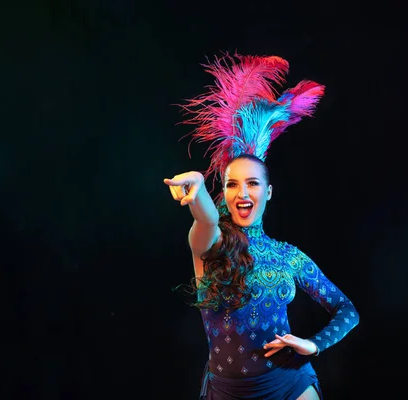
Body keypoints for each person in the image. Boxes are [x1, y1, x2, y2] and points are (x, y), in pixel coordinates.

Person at [164, 53, 360, 400]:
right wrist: (195, 186)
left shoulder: (289, 256)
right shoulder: (210, 243)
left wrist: (312, 345)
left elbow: (347, 310)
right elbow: (206, 217)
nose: (243, 192)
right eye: (232, 184)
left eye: (253, 183)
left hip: (289, 383)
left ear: (268, 192)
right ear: (222, 192)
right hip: (227, 390)